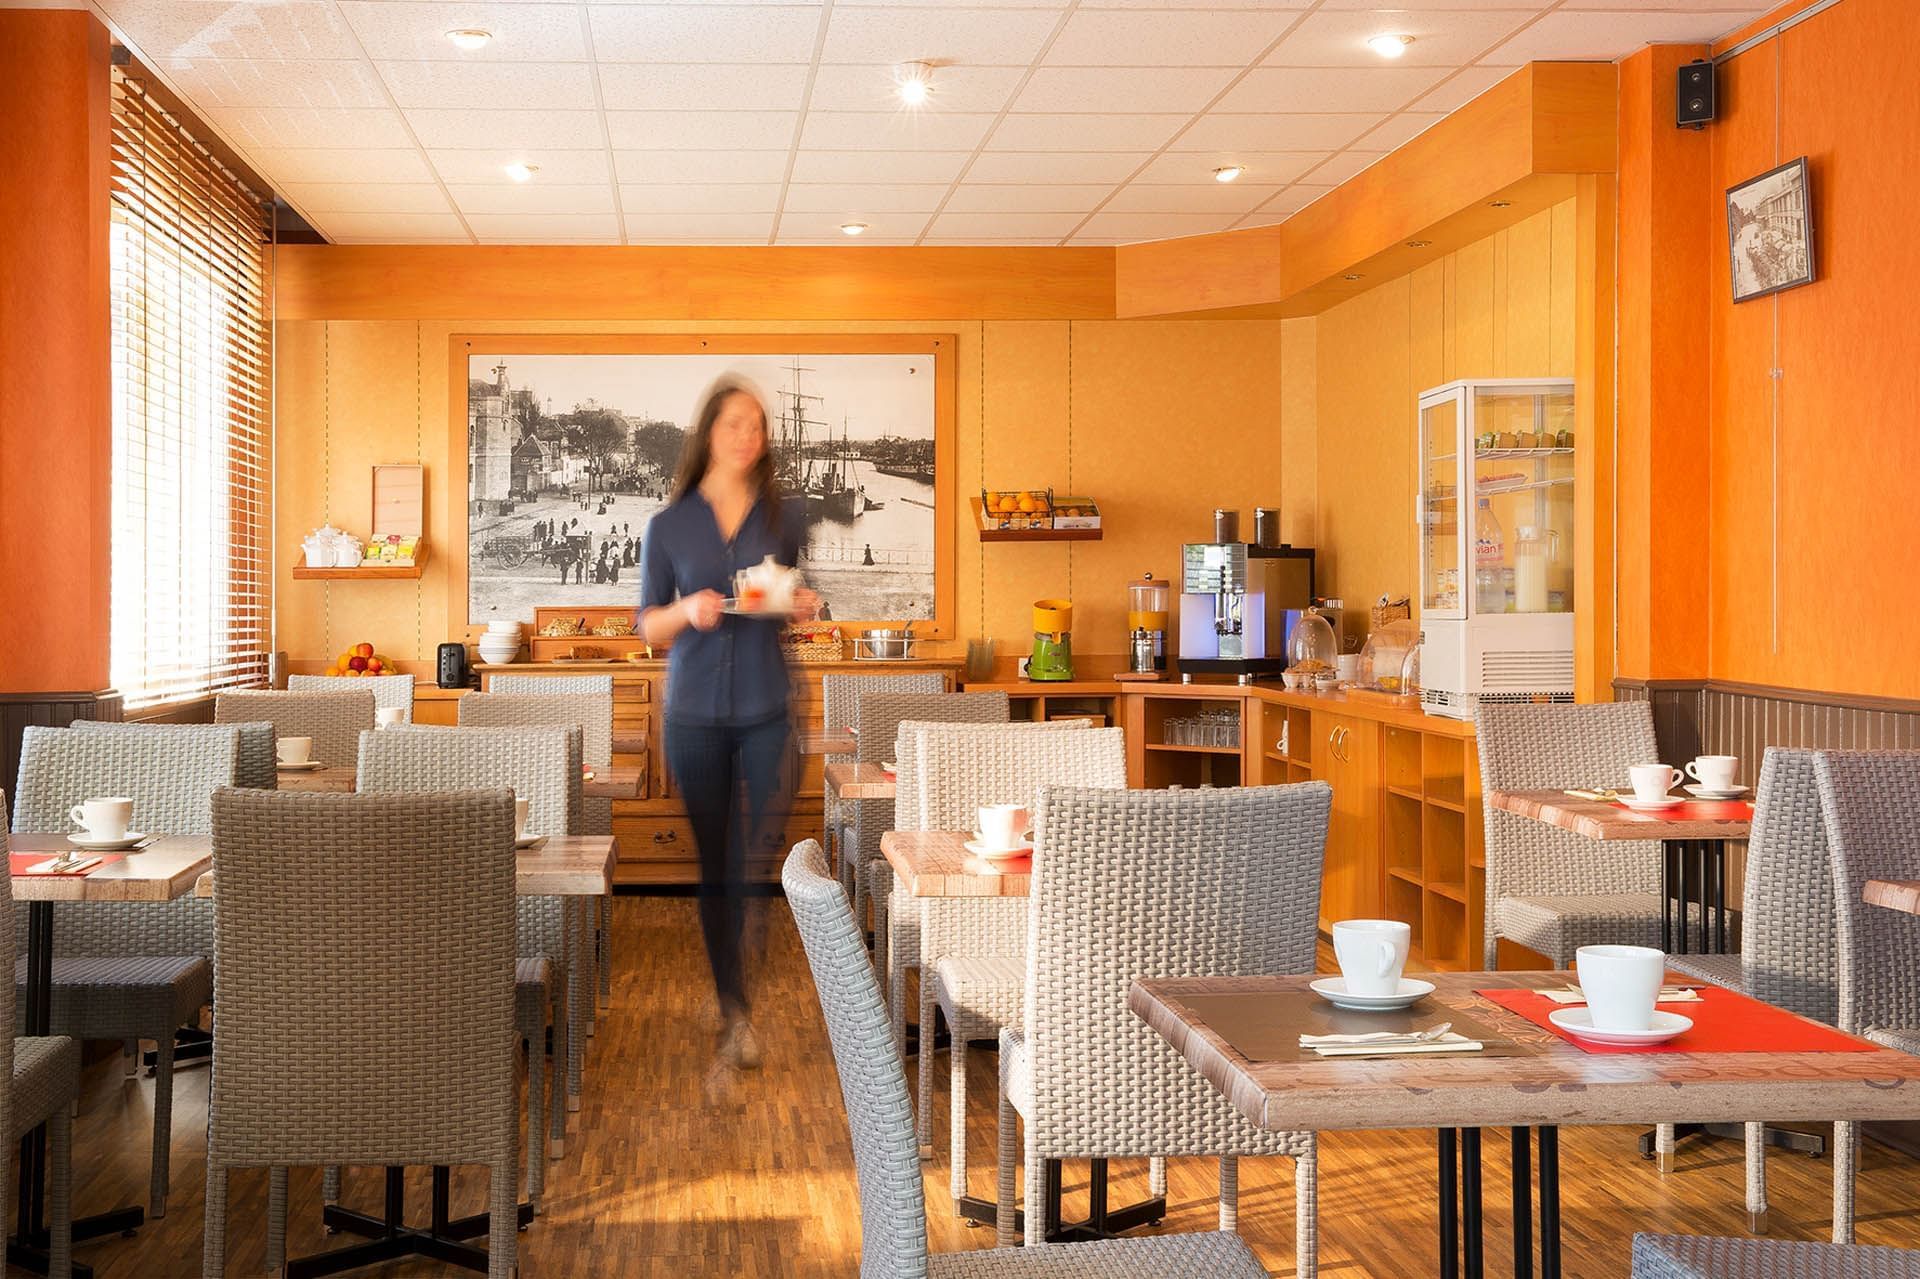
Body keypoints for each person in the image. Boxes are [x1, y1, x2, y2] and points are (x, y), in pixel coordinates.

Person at [640, 376, 819, 1071]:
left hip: (770, 707)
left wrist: (801, 604)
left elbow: (791, 595)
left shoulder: (785, 515)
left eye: (758, 426)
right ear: (709, 431)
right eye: (735, 423)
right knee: (718, 866)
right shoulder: (670, 524)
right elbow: (650, 623)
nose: (749, 436)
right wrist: (688, 611)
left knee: (755, 859)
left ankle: (745, 966)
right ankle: (734, 1007)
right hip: (692, 715)